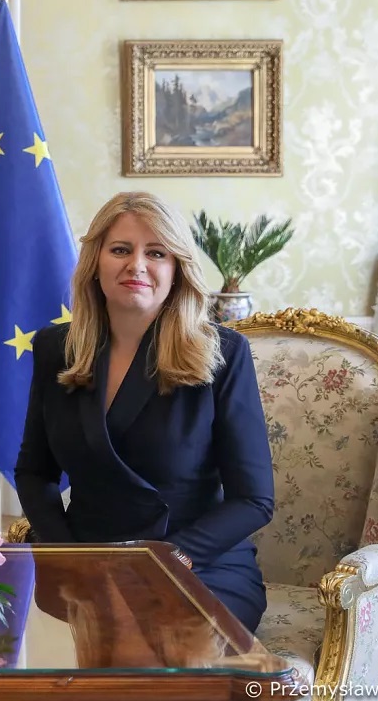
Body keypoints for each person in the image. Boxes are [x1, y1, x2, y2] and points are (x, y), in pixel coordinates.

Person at [14, 191, 274, 632]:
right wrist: (68, 554)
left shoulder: (224, 353)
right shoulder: (55, 348)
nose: (136, 265)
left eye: (156, 253)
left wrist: (169, 559)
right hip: (88, 560)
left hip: (194, 564)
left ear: (177, 270)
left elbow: (254, 499)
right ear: (96, 262)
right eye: (120, 250)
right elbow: (34, 472)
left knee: (149, 646)